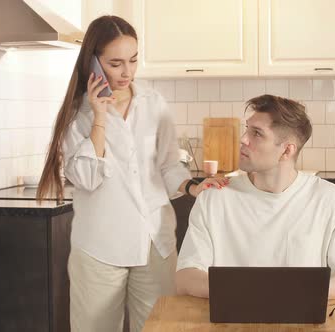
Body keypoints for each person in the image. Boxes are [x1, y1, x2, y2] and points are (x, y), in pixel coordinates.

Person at [36, 15, 228, 332]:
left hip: (155, 243)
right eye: (115, 63)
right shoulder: (77, 114)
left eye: (133, 60)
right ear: (93, 62)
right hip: (100, 249)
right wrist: (99, 116)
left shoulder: (154, 103)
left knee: (159, 328)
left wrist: (193, 186)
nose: (127, 72)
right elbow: (87, 177)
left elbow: (168, 165)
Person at [175, 95, 335, 299]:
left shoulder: (329, 199)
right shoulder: (215, 198)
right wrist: (258, 293)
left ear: (286, 150)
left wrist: (288, 294)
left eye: (257, 133)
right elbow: (186, 279)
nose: (243, 138)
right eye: (247, 128)